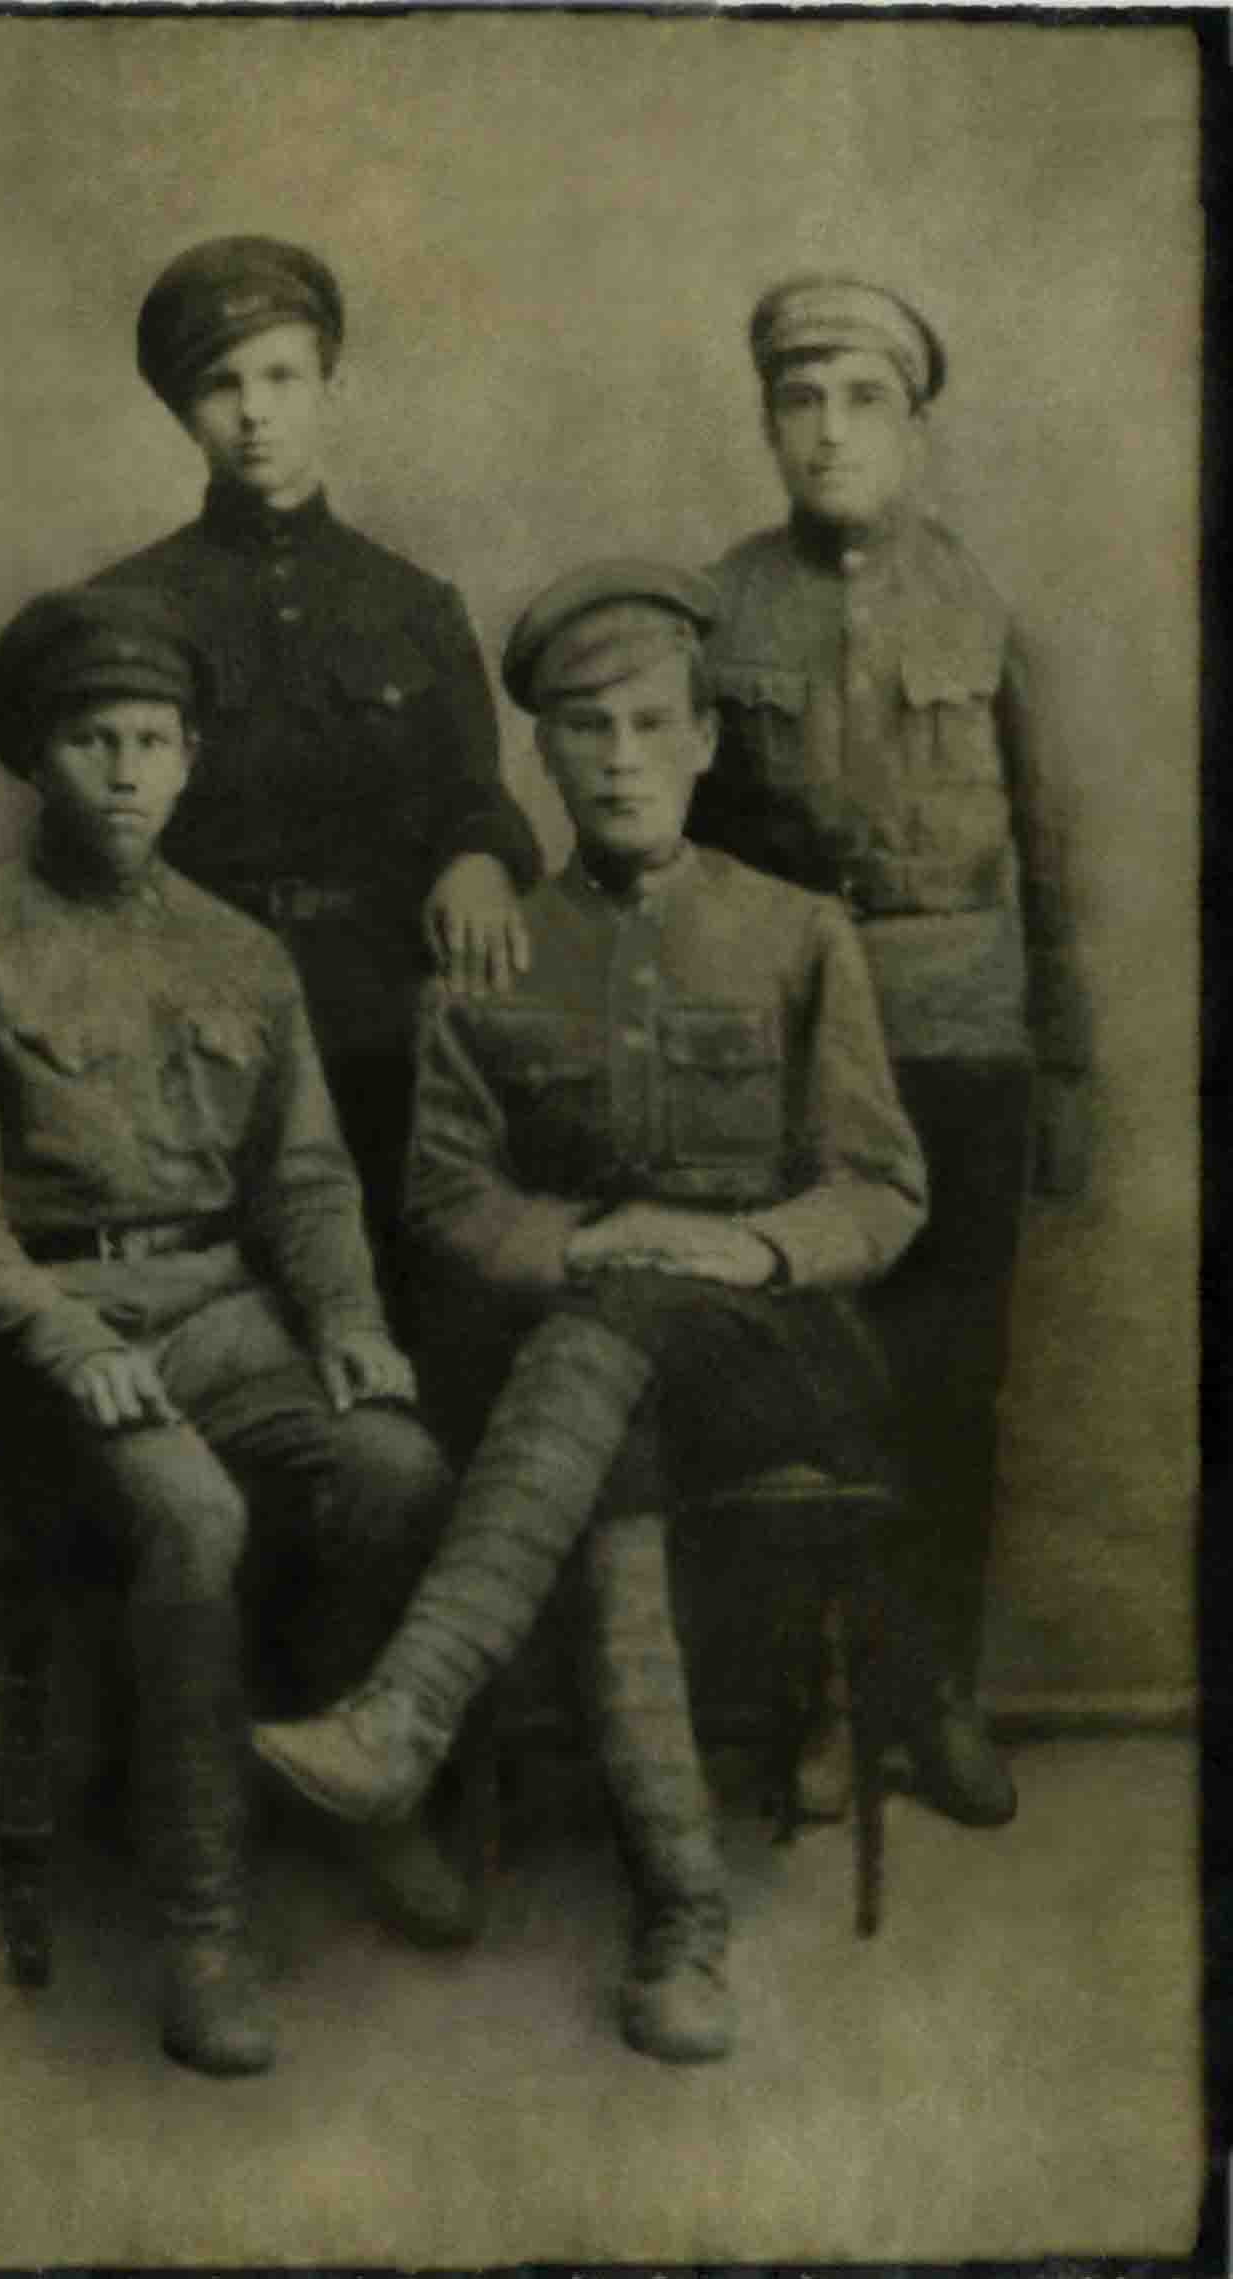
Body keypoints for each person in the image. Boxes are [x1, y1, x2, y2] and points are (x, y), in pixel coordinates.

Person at [253, 562, 931, 2065]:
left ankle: (406, 1708)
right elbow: (445, 1192)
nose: (621, 758)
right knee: (604, 1455)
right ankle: (682, 1923)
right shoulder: (490, 953)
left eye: (650, 724)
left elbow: (882, 1188)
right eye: (584, 728)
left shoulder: (797, 930)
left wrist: (742, 1249)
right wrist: (585, 1241)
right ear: (542, 756)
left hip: (775, 1351)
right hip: (587, 1372)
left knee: (599, 1347)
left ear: (705, 739)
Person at [0, 584, 477, 2082]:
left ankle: (359, 1786)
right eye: (95, 740)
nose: (127, 772)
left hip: (221, 1311)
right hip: (48, 1340)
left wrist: (348, 1322)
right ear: (39, 755)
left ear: (192, 757)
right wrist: (63, 1333)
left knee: (398, 1465)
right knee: (194, 1513)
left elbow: (308, 1179)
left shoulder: (242, 952)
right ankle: (203, 1922)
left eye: (154, 741)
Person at [688, 276, 1094, 1826]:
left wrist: (1062, 1069)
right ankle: (820, 1706)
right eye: (800, 400)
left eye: (863, 400)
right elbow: (686, 865)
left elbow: (1048, 861)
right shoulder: (719, 609)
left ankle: (936, 1696)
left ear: (914, 426)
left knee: (948, 1384)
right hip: (792, 1049)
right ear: (767, 424)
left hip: (960, 1040)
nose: (830, 431)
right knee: (808, 1382)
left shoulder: (980, 610)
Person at [91, 235, 541, 1247]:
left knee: (393, 1270)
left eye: (282, 377)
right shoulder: (127, 609)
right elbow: (92, 831)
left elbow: (472, 789)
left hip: (377, 1011)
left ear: (333, 387)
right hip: (190, 1009)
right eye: (222, 384)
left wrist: (477, 857)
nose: (254, 412)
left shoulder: (413, 604)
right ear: (184, 411)